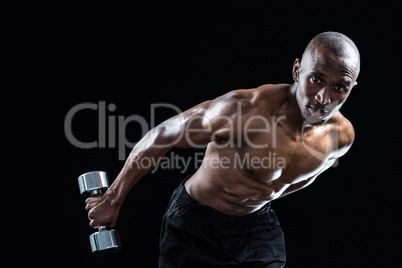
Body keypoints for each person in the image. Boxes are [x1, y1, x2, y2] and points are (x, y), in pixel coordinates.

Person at [85, 31, 360, 267]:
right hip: (195, 225)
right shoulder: (242, 109)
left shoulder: (341, 137)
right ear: (298, 70)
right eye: (317, 79)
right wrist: (112, 199)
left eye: (340, 87)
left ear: (351, 87)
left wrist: (255, 199)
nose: (324, 97)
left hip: (257, 228)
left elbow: (291, 182)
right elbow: (162, 135)